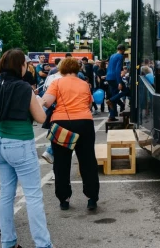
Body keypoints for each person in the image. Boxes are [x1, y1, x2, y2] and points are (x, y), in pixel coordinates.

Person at [0, 49, 53, 248]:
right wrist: (40, 102)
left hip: (0, 142)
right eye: (24, 63)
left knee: (6, 194)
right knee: (33, 196)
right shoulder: (23, 87)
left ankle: (8, 242)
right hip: (21, 144)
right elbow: (41, 118)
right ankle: (43, 244)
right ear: (19, 66)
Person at [41, 58, 100, 211]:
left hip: (62, 124)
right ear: (77, 69)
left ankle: (64, 198)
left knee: (61, 162)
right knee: (87, 160)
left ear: (61, 69)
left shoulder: (56, 83)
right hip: (84, 123)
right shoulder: (84, 84)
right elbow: (88, 104)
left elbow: (47, 102)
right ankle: (91, 197)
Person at [105, 45, 125, 121]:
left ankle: (112, 115)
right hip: (115, 78)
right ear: (123, 50)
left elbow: (109, 67)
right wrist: (119, 82)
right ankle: (120, 104)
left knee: (114, 95)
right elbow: (117, 70)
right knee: (126, 90)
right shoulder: (120, 56)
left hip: (109, 77)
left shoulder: (112, 56)